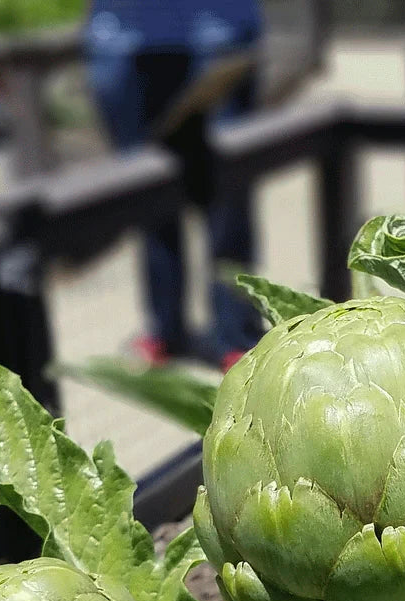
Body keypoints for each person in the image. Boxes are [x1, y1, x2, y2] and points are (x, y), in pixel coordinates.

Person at [84, 0, 263, 369]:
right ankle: (165, 330)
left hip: (219, 30)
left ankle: (236, 335)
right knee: (148, 197)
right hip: (121, 36)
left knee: (227, 194)